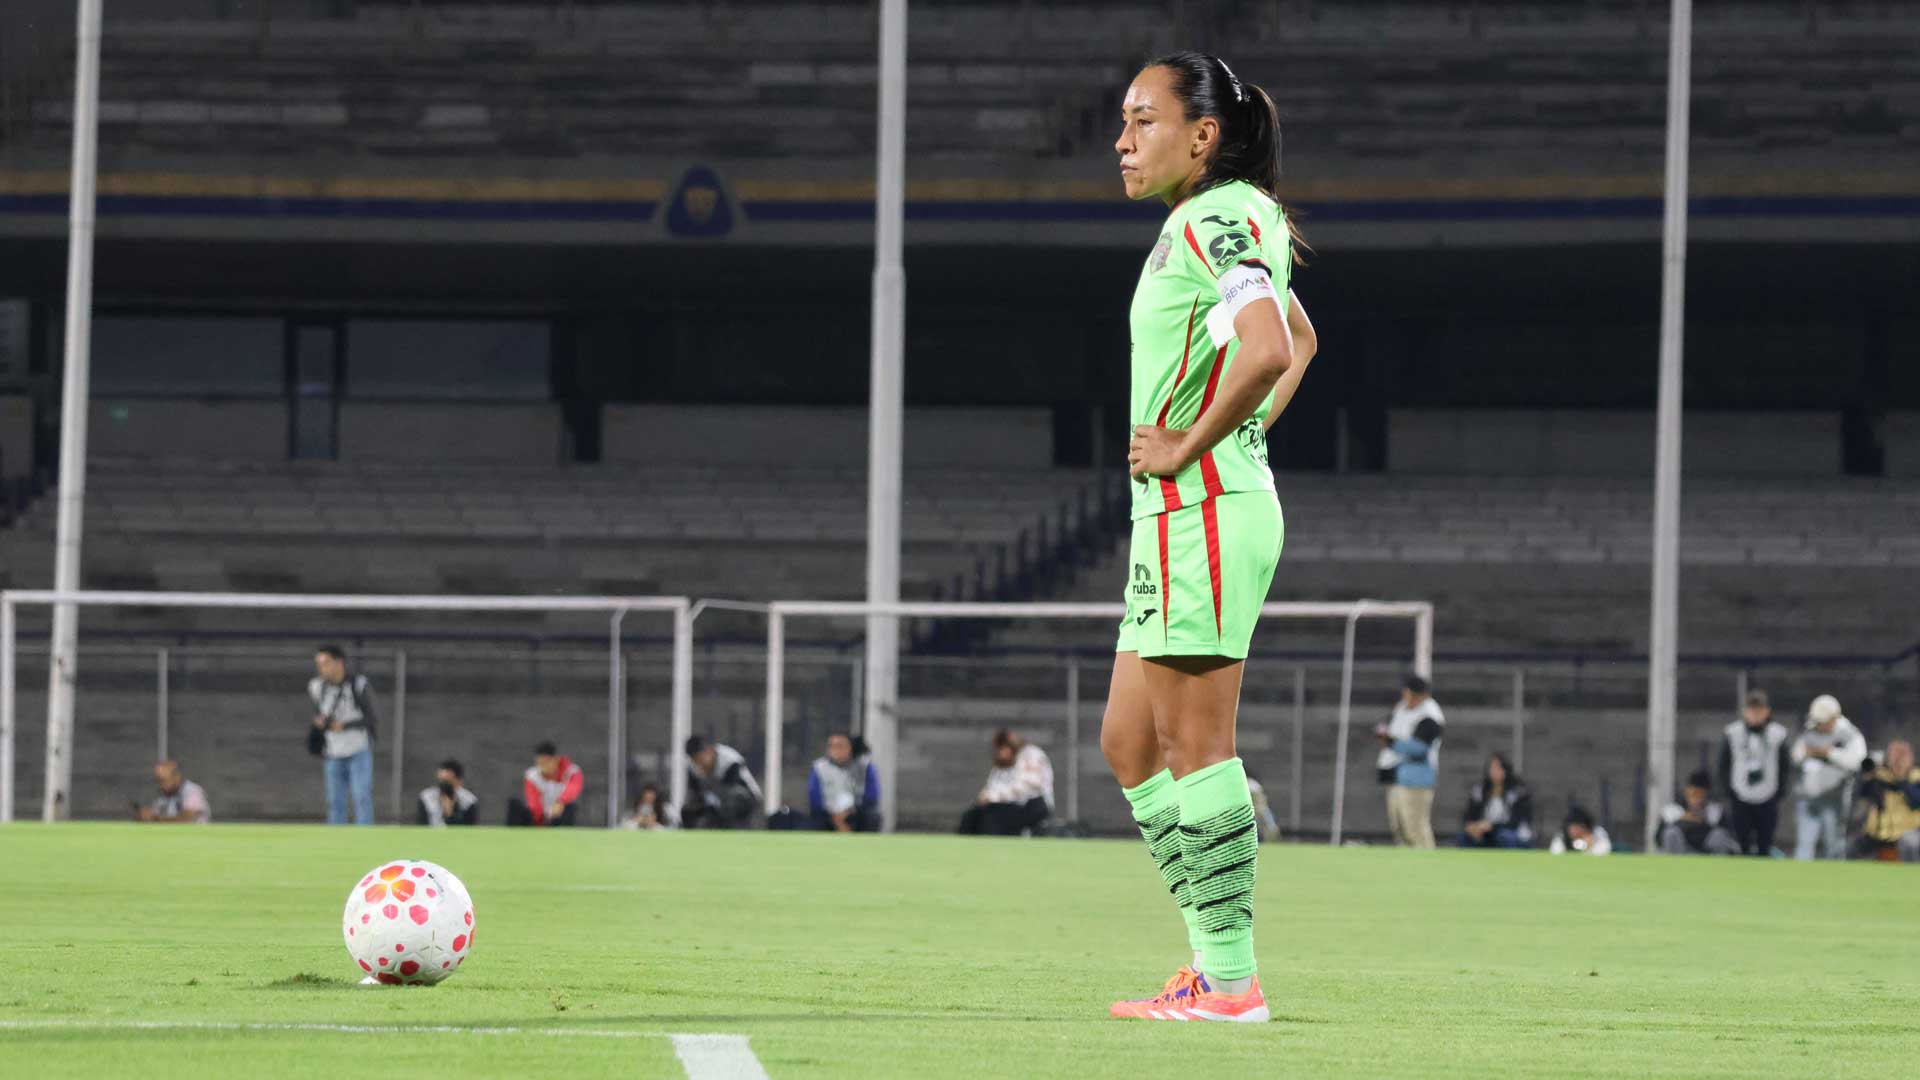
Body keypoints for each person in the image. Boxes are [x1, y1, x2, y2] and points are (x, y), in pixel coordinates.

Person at [1101, 50, 1318, 1024]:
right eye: (1122, 118)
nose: (1123, 138)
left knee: (1196, 747)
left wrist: (1197, 441)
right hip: (1178, 512)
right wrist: (1236, 438)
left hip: (1202, 508)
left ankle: (1231, 984)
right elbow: (1299, 341)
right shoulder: (1206, 223)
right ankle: (1212, 960)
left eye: (1144, 120)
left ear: (1203, 136)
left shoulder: (1212, 214)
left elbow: (1269, 346)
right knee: (1128, 744)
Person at [1790, 694, 1868, 861]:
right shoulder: (1810, 729)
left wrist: (1830, 753)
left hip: (1835, 798)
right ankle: (1799, 884)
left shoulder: (1849, 734)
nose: (1819, 725)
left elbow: (1857, 762)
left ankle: (1834, 885)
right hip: (1808, 797)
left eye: (1823, 722)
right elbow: (1796, 756)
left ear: (1834, 718)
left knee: (1834, 846)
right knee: (1804, 845)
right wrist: (1808, 753)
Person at [308, 643, 377, 825]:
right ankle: (336, 840)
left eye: (326, 663)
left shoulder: (358, 685)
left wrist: (345, 725)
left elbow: (372, 718)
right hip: (333, 751)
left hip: (358, 749)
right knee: (335, 801)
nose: (321, 668)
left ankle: (365, 837)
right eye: (319, 664)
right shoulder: (317, 687)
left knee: (362, 797)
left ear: (339, 663)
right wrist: (321, 723)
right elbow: (318, 713)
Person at [1717, 689, 1790, 856]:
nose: (1756, 716)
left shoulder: (1778, 733)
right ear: (1745, 711)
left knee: (1765, 844)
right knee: (1741, 843)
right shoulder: (1732, 732)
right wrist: (1729, 791)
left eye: (1760, 711)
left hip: (1768, 795)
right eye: (1752, 711)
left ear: (1767, 711)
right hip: (1741, 794)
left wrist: (1780, 792)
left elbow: (1785, 766)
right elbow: (1724, 765)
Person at [1376, 674, 1445, 849]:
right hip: (1397, 775)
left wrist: (1391, 742)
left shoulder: (1430, 715)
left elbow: (1420, 748)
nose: (1406, 697)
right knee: (1399, 828)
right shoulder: (1401, 708)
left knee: (1416, 828)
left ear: (1420, 695)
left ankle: (1427, 866)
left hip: (1417, 778)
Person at [959, 728, 1054, 836]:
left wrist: (992, 796)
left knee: (991, 819)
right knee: (971, 816)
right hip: (1010, 805)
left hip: (1033, 805)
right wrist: (985, 796)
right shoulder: (1002, 763)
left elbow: (1025, 788)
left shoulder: (1030, 754)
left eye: (1002, 748)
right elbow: (993, 785)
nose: (1000, 753)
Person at [1855, 740, 1920, 862]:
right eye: (1894, 756)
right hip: (1880, 834)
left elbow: (1916, 802)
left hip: (1909, 832)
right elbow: (1863, 794)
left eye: (1901, 756)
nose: (1897, 761)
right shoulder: (1880, 777)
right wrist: (1869, 776)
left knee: (1910, 841)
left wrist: (1901, 779)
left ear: (1910, 757)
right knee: (1852, 849)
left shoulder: (1916, 777)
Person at [683, 734, 762, 829]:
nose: (699, 765)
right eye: (695, 761)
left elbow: (732, 789)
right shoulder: (693, 767)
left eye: (701, 760)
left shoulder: (729, 759)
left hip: (747, 802)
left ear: (709, 751)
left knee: (730, 798)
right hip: (717, 804)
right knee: (688, 809)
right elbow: (696, 794)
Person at [808, 732, 880, 833]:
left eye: (840, 746)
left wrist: (849, 812)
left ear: (850, 748)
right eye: (832, 746)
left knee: (872, 816)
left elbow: (872, 796)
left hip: (856, 813)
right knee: (814, 821)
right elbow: (815, 799)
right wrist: (835, 818)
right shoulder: (819, 768)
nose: (835, 750)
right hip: (828, 814)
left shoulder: (864, 767)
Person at [1457, 752, 1532, 849]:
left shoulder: (1518, 792)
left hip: (1510, 831)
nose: (1494, 772)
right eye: (1492, 768)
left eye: (1498, 768)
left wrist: (1492, 826)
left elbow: (1516, 822)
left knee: (1503, 837)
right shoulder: (1480, 790)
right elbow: (1469, 815)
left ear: (1505, 770)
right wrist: (1472, 826)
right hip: (1485, 831)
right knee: (1463, 837)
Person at [1656, 769, 1739, 855]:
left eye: (1701, 795)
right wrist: (1681, 822)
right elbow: (1658, 839)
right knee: (1671, 832)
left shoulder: (1715, 812)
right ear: (1686, 792)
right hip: (1680, 855)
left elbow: (1729, 840)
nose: (1698, 800)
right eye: (1694, 794)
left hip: (1706, 856)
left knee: (1719, 834)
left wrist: (1702, 823)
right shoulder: (1672, 810)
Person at [507, 740, 583, 827]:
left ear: (556, 759)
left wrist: (560, 802)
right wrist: (541, 820)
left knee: (570, 807)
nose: (542, 767)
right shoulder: (532, 776)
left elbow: (573, 789)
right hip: (539, 817)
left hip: (559, 815)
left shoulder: (572, 772)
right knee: (514, 804)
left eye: (546, 763)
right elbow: (533, 802)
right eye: (539, 763)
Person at [133, 760, 210, 824]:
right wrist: (144, 816)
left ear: (176, 777)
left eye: (163, 781)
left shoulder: (192, 791)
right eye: (158, 781)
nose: (161, 785)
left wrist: (156, 819)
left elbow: (187, 819)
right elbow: (154, 816)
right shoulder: (163, 796)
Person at [416, 759, 479, 827]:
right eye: (442, 781)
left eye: (448, 782)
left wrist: (451, 812)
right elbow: (421, 824)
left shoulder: (469, 800)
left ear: (459, 781)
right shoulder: (427, 797)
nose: (445, 786)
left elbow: (469, 829)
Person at [1548, 806, 1612, 856]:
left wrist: (1590, 847)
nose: (1573, 831)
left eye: (1576, 828)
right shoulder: (1562, 836)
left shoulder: (1597, 833)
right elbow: (1555, 852)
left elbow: (1605, 850)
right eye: (1571, 828)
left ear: (1584, 827)